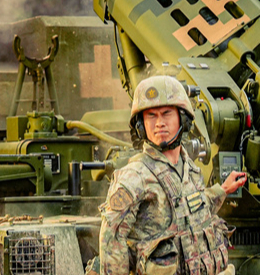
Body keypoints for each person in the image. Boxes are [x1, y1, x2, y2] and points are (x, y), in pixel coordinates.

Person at [96, 75, 247, 275]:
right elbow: (112, 240)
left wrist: (223, 189)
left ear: (182, 119)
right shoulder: (134, 177)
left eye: (166, 114)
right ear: (141, 125)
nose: (159, 123)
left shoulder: (190, 169)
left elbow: (194, 209)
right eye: (151, 116)